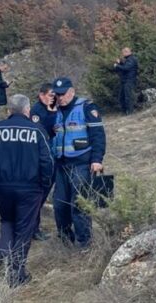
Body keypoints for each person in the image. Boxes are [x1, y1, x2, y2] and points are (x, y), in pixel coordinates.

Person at [0, 94, 53, 287]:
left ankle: (3, 263)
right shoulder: (37, 131)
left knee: (7, 222)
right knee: (24, 229)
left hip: (2, 186)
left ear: (9, 110)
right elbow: (47, 161)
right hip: (30, 188)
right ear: (27, 110)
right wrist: (44, 185)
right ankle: (16, 275)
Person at [51, 77, 106, 248]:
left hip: (81, 163)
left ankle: (85, 244)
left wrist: (97, 159)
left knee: (80, 205)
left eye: (63, 94)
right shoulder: (55, 112)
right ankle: (66, 241)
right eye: (57, 94)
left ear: (72, 91)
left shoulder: (86, 107)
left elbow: (98, 135)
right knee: (60, 205)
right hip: (61, 165)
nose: (60, 98)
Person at [30, 83, 57, 241]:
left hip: (55, 154)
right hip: (41, 157)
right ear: (42, 95)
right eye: (51, 95)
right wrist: (51, 113)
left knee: (45, 193)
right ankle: (33, 229)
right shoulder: (37, 111)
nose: (54, 98)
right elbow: (42, 131)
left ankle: (34, 227)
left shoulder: (55, 108)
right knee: (38, 195)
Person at [113, 47, 138, 115]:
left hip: (129, 80)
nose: (123, 54)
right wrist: (120, 63)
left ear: (128, 52)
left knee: (128, 96)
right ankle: (124, 112)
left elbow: (126, 68)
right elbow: (124, 67)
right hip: (124, 81)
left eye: (124, 52)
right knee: (121, 97)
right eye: (122, 52)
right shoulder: (128, 59)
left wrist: (117, 65)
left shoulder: (132, 59)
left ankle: (130, 112)